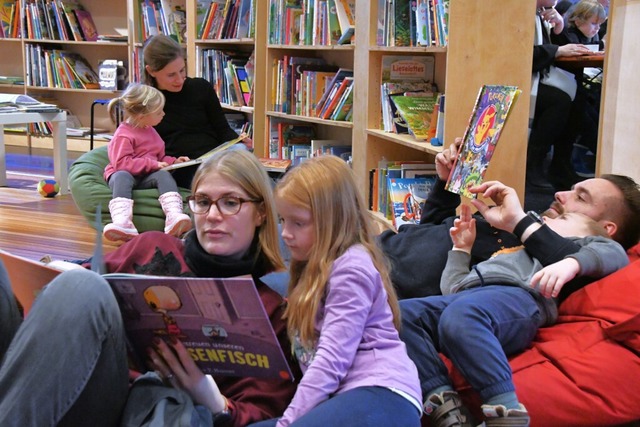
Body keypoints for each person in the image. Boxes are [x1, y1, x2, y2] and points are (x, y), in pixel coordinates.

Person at [0, 149, 300, 427]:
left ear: (261, 213)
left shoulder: (272, 306)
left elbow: (265, 411)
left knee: (82, 287)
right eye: (203, 201)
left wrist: (214, 400)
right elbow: (77, 292)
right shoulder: (153, 245)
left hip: (142, 410)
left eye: (231, 202)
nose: (212, 216)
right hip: (81, 378)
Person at [400, 190, 628, 426]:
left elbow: (615, 254)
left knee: (461, 316)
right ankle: (444, 404)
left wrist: (572, 263)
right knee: (402, 314)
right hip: (471, 298)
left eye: (561, 220)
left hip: (521, 298)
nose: (543, 220)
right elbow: (453, 290)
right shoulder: (512, 251)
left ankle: (507, 412)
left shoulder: (575, 250)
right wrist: (461, 250)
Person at [249, 156, 422, 427]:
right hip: (346, 398)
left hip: (382, 393)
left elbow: (331, 359)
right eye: (284, 220)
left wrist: (288, 422)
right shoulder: (309, 264)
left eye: (298, 223)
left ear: (332, 220)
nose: (285, 233)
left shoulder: (352, 267)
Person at [377, 138, 640, 299]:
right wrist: (447, 184)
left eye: (580, 198)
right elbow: (431, 234)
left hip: (378, 279)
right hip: (378, 248)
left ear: (607, 229)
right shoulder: (525, 223)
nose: (560, 194)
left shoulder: (567, 262)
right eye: (571, 189)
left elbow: (580, 260)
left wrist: (518, 222)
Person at [142, 34, 252, 188]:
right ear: (151, 71)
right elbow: (144, 150)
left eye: (182, 70)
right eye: (171, 75)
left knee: (244, 157)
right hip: (181, 167)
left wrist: (238, 140)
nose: (180, 79)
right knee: (226, 179)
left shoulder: (201, 88)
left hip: (215, 157)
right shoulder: (145, 104)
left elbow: (223, 130)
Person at [103, 82, 192, 242]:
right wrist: (153, 165)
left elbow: (159, 158)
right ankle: (122, 221)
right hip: (125, 175)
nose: (163, 114)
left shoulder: (150, 131)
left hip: (145, 176)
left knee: (163, 176)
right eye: (158, 112)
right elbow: (121, 164)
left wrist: (173, 161)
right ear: (141, 116)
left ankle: (174, 215)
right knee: (121, 176)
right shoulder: (124, 135)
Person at [528, 0, 593, 190]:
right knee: (559, 101)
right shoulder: (522, 12)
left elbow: (564, 49)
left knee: (579, 99)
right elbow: (521, 52)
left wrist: (559, 27)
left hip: (540, 77)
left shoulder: (543, 12)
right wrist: (556, 50)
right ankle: (533, 163)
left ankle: (560, 163)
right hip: (519, 80)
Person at [551, 0, 607, 178]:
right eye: (593, 23)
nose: (596, 29)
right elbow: (581, 50)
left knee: (590, 116)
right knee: (585, 119)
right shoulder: (568, 33)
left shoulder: (586, 35)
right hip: (564, 85)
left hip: (574, 85)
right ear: (578, 20)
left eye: (599, 25)